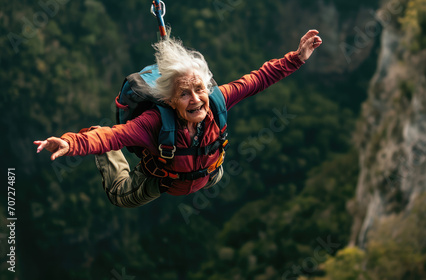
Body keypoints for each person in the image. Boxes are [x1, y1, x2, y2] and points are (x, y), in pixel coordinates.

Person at [34, 29, 322, 208]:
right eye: (185, 94)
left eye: (200, 90)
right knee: (119, 194)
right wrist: (71, 143)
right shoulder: (153, 123)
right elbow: (112, 136)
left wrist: (297, 58)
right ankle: (110, 161)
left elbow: (258, 79)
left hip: (207, 174)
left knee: (213, 173)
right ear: (171, 100)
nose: (196, 99)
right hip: (161, 182)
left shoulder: (217, 99)